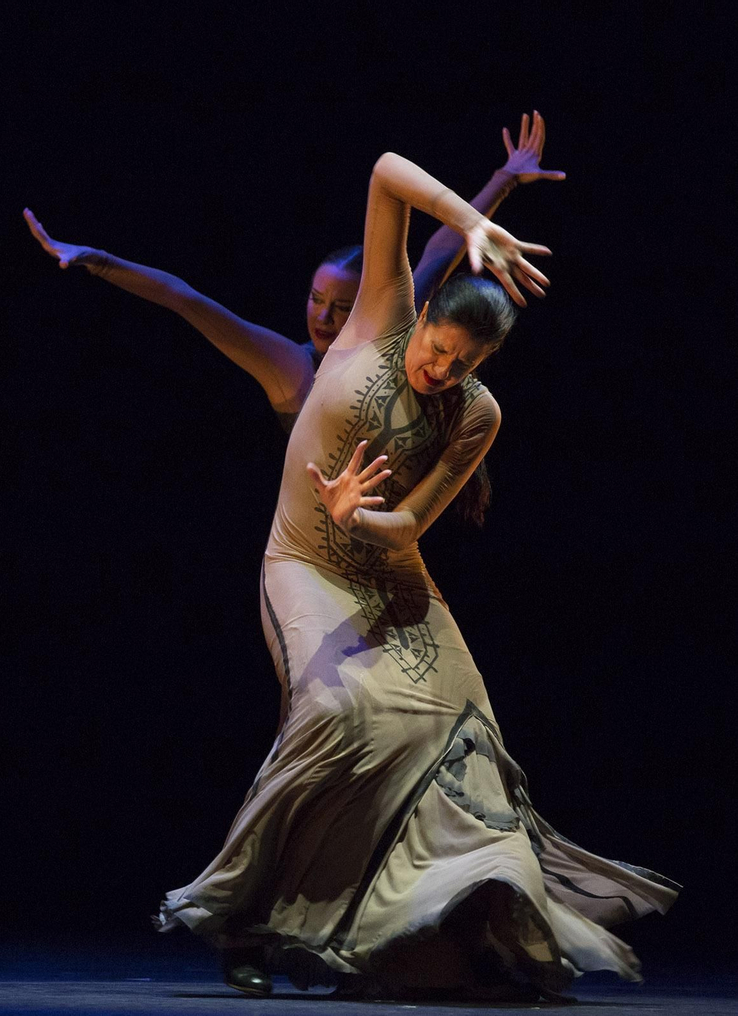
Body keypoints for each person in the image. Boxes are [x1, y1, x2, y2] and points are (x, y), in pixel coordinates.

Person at [151, 149, 677, 1000]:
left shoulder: (476, 414)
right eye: (437, 348)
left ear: (483, 364)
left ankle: (450, 931)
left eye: (460, 363)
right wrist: (473, 218)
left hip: (387, 569)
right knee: (336, 713)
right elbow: (387, 169)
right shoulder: (380, 318)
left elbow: (410, 528)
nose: (437, 369)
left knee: (460, 730)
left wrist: (363, 514)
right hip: (303, 565)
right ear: (424, 315)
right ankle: (244, 922)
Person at [25, 112, 564, 432]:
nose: (324, 317)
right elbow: (184, 298)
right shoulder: (291, 370)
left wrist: (506, 178)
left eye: (341, 305)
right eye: (315, 299)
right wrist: (97, 262)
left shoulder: (399, 323)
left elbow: (440, 250)